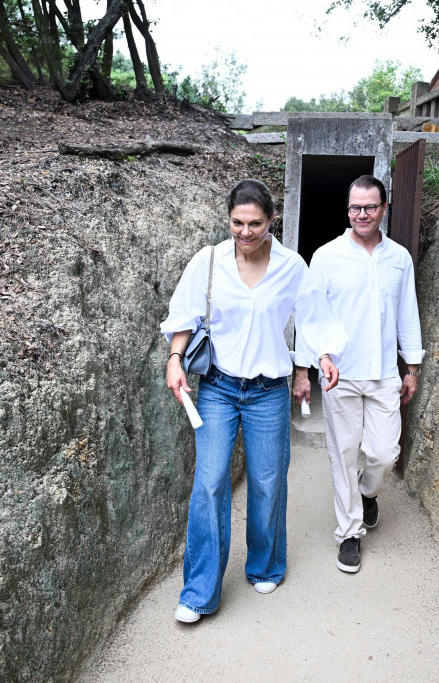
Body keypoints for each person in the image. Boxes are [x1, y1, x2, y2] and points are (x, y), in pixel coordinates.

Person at [161, 178, 346, 623]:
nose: (245, 232)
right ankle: (198, 593)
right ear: (228, 219)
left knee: (267, 480)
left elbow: (314, 317)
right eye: (237, 223)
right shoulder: (208, 261)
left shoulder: (291, 266)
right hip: (218, 389)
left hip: (268, 392)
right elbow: (185, 316)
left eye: (255, 224)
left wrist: (323, 356)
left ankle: (265, 565)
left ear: (272, 220)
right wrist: (174, 360)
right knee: (209, 481)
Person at [294, 174, 424, 574]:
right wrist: (307, 367)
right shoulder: (326, 257)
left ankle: (368, 492)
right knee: (344, 454)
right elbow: (310, 315)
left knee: (384, 454)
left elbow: (407, 313)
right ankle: (349, 533)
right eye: (355, 207)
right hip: (340, 375)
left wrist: (412, 367)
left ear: (384, 208)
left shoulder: (399, 258)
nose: (361, 214)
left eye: (369, 206)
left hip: (384, 374)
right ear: (347, 209)